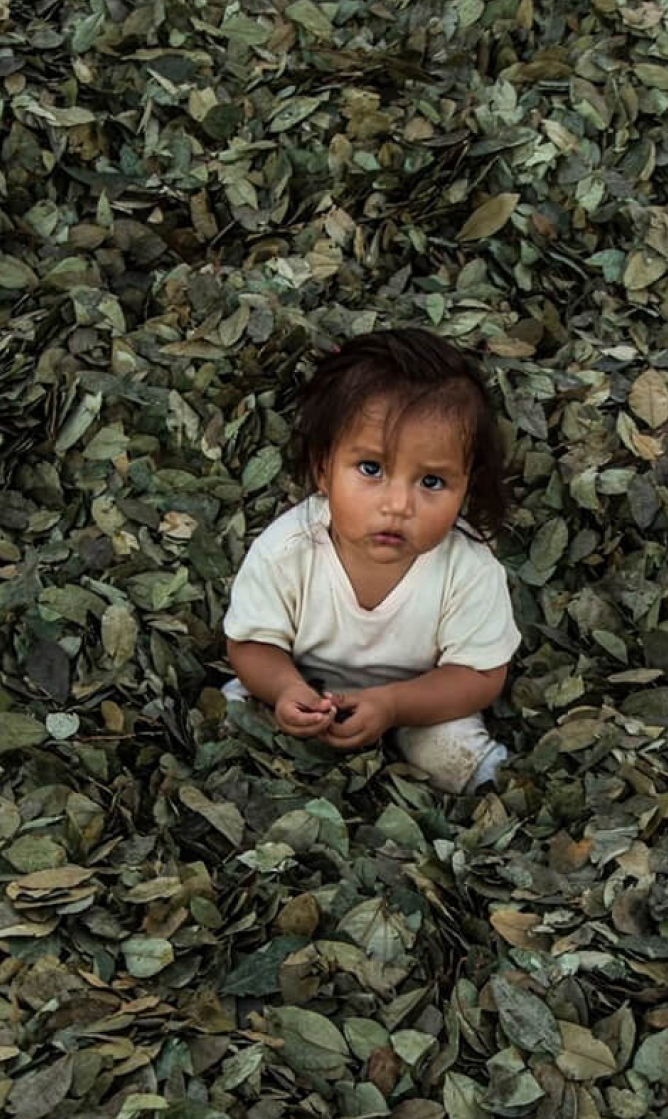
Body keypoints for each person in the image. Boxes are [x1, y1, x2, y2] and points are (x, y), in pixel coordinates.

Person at [221, 328, 519, 793]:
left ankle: (491, 795)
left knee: (450, 753)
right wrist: (284, 690)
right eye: (372, 469)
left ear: (466, 486)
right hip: (304, 683)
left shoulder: (469, 569)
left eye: (433, 482)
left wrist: (394, 706)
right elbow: (249, 643)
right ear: (324, 468)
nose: (398, 504)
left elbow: (481, 676)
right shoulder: (288, 550)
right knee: (243, 716)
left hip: (420, 698)